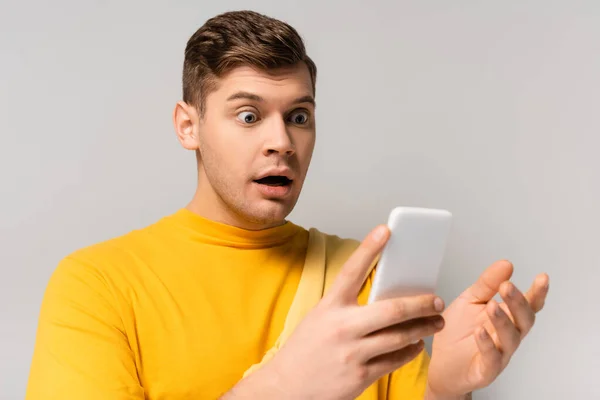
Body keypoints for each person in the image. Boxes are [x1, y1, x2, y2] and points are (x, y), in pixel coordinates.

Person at [26, 10, 550, 400]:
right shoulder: (97, 284)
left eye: (298, 116)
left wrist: (444, 388)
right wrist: (285, 386)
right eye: (249, 116)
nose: (282, 141)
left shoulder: (364, 274)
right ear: (189, 126)